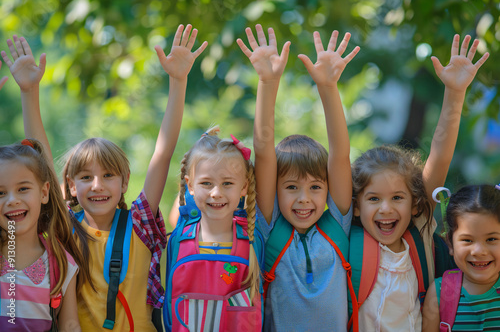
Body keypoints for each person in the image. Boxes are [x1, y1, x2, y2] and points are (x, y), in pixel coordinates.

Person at [2, 25, 207, 331]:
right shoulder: (67, 228)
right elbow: (40, 159)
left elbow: (162, 154)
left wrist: (178, 81)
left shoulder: (139, 222)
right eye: (85, 177)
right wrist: (29, 92)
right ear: (70, 185)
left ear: (124, 183)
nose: (97, 185)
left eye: (108, 175)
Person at [350, 34, 489, 331]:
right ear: (356, 206)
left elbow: (438, 157)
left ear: (416, 205)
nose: (386, 208)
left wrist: (454, 92)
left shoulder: (419, 235)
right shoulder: (348, 241)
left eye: (398, 198)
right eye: (374, 199)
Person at [238, 24, 359, 331]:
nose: (304, 198)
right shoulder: (270, 227)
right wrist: (268, 82)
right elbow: (263, 151)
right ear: (276, 190)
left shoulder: (338, 224)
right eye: (291, 187)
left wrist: (329, 88)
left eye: (316, 187)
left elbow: (340, 154)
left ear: (328, 189)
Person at [164, 126, 264, 331]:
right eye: (207, 183)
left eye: (227, 183)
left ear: (244, 187)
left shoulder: (252, 240)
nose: (216, 193)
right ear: (190, 186)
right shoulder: (179, 239)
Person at [0, 139, 86, 331]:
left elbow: (70, 325)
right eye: (0, 193)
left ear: (44, 192)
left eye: (23, 189)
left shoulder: (62, 263)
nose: (12, 200)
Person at [422, 184, 500, 331]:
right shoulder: (440, 292)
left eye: (491, 239)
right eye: (467, 240)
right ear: (450, 244)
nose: (479, 251)